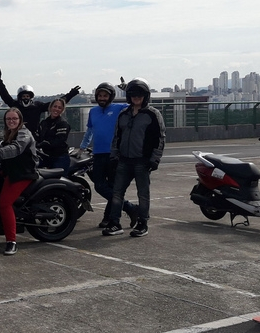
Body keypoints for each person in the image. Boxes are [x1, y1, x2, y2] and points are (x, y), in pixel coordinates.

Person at [102, 78, 166, 238]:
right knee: (117, 193)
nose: (136, 97)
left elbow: (160, 138)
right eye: (132, 95)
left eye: (140, 95)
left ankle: (142, 223)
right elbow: (117, 136)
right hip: (123, 160)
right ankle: (114, 223)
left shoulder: (153, 114)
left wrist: (155, 159)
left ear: (146, 96)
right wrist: (114, 156)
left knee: (143, 194)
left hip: (142, 161)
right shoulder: (123, 114)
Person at [0, 107, 38, 256]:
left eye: (14, 119)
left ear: (20, 120)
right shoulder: (7, 133)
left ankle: (11, 241)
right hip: (10, 170)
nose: (11, 121)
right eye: (8, 119)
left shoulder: (24, 133)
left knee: (4, 203)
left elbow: (16, 149)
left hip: (23, 173)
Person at [78, 80, 138, 228]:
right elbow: (90, 131)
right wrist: (82, 148)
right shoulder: (93, 111)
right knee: (99, 186)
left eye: (105, 95)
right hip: (98, 154)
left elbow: (137, 105)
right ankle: (129, 207)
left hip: (115, 154)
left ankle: (108, 218)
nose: (102, 98)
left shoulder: (119, 108)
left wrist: (128, 91)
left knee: (113, 186)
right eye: (100, 95)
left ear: (110, 97)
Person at [0, 66, 81, 138]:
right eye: (23, 96)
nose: (25, 98)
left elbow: (55, 104)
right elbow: (5, 96)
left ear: (31, 97)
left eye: (27, 96)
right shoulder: (15, 105)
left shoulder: (37, 106)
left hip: (33, 137)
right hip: (16, 135)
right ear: (20, 97)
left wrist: (70, 94)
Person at [37, 98, 71, 172]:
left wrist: (46, 143)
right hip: (46, 156)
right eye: (55, 106)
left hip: (60, 157)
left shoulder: (63, 123)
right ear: (50, 107)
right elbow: (38, 136)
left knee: (58, 181)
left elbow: (60, 139)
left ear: (62, 110)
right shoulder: (44, 122)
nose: (56, 109)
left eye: (59, 108)